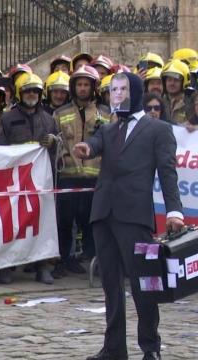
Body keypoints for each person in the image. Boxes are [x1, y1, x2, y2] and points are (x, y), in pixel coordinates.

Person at [73, 72, 183, 360]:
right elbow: (94, 144)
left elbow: (168, 172)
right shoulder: (109, 130)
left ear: (134, 93)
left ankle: (150, 347)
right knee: (110, 285)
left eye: (121, 89)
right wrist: (86, 149)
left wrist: (174, 210)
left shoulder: (158, 130)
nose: (116, 95)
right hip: (103, 214)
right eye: (112, 90)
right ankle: (114, 348)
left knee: (144, 284)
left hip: (135, 217)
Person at [0, 72, 59, 285]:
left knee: (42, 224)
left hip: (41, 182)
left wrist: (54, 142)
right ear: (21, 93)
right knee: (10, 223)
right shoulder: (7, 118)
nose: (32, 94)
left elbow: (58, 150)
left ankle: (43, 267)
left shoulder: (49, 119)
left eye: (36, 91)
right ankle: (7, 267)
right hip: (13, 181)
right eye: (28, 91)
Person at [52, 65, 110, 279]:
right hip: (68, 177)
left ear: (94, 87)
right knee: (65, 222)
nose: (83, 88)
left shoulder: (106, 113)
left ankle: (95, 262)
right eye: (79, 84)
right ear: (73, 87)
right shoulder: (60, 113)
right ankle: (63, 260)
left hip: (95, 178)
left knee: (91, 223)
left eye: (86, 84)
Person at [161, 59, 189, 124]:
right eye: (169, 80)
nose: (172, 83)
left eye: (176, 80)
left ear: (183, 82)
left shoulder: (192, 104)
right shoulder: (159, 103)